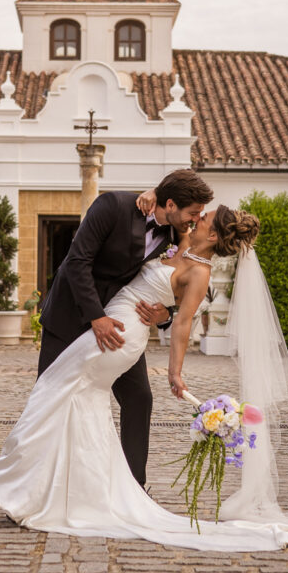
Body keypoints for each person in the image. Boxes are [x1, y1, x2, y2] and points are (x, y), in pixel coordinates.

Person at [0, 203, 288, 551]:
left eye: (205, 217)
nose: (197, 218)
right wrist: (147, 197)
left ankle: (27, 483)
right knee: (71, 401)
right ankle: (65, 489)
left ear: (212, 233)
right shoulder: (175, 240)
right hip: (111, 326)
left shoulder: (199, 271)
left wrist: (175, 370)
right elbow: (157, 211)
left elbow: (182, 323)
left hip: (121, 337)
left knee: (61, 393)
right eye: (196, 213)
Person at [37, 168, 213, 488]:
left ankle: (133, 487)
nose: (195, 219)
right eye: (192, 213)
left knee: (139, 398)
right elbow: (77, 261)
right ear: (170, 204)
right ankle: (32, 486)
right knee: (48, 398)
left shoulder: (175, 234)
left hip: (120, 322)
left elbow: (173, 285)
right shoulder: (112, 207)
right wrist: (96, 317)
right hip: (70, 316)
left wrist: (166, 314)